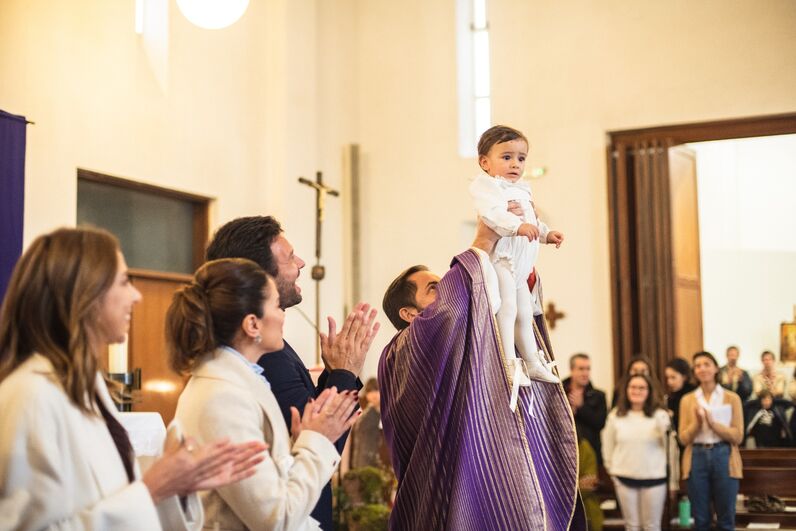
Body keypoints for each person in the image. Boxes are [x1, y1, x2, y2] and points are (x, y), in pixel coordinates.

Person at [0, 227, 265, 530]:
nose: (136, 295)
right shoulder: (30, 394)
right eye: (124, 281)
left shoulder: (86, 386)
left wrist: (176, 483)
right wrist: (152, 489)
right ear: (84, 293)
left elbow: (103, 491)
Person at [378, 220, 585, 530]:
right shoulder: (403, 350)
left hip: (489, 474)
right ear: (409, 315)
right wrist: (480, 244)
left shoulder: (464, 341)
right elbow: (450, 309)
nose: (447, 290)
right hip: (446, 489)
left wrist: (521, 277)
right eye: (435, 289)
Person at [205, 215, 379, 530]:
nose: (300, 262)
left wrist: (335, 375)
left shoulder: (263, 354)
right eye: (288, 257)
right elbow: (320, 444)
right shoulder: (263, 359)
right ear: (258, 276)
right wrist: (343, 373)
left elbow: (306, 427)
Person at [169, 258, 361, 530]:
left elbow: (267, 486)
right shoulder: (224, 398)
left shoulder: (243, 381)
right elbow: (275, 517)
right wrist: (317, 441)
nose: (282, 315)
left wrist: (297, 448)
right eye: (275, 305)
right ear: (252, 325)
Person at [468, 124, 562, 387]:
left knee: (524, 312)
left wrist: (546, 234)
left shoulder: (523, 189)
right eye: (506, 157)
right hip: (502, 258)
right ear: (485, 162)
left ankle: (531, 361)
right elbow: (493, 215)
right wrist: (516, 226)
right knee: (507, 308)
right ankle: (508, 363)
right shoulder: (486, 186)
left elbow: (532, 219)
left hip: (521, 264)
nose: (515, 164)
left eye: (521, 158)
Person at [678, 351, 744, 531]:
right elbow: (683, 438)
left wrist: (714, 424)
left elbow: (738, 436)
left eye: (707, 364)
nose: (702, 369)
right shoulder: (687, 400)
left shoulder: (732, 398)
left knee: (725, 518)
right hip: (697, 456)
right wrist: (698, 425)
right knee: (700, 518)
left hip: (724, 454)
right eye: (698, 365)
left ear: (716, 368)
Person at [602, 374, 670, 531]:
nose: (637, 391)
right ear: (626, 390)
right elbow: (607, 445)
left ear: (649, 391)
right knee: (632, 526)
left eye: (642, 388)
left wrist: (663, 427)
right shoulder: (615, 415)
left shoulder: (660, 415)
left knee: (652, 526)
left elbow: (669, 448)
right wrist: (611, 469)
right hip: (624, 477)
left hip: (654, 478)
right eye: (633, 387)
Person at [563, 353, 608, 463]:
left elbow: (600, 423)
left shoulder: (599, 396)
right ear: (572, 370)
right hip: (564, 453)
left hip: (591, 455)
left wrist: (582, 407)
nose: (585, 373)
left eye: (588, 369)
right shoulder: (559, 393)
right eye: (581, 369)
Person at [664, 357, 696, 435]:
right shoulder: (671, 397)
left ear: (684, 377)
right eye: (667, 378)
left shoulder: (693, 394)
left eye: (673, 377)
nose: (669, 382)